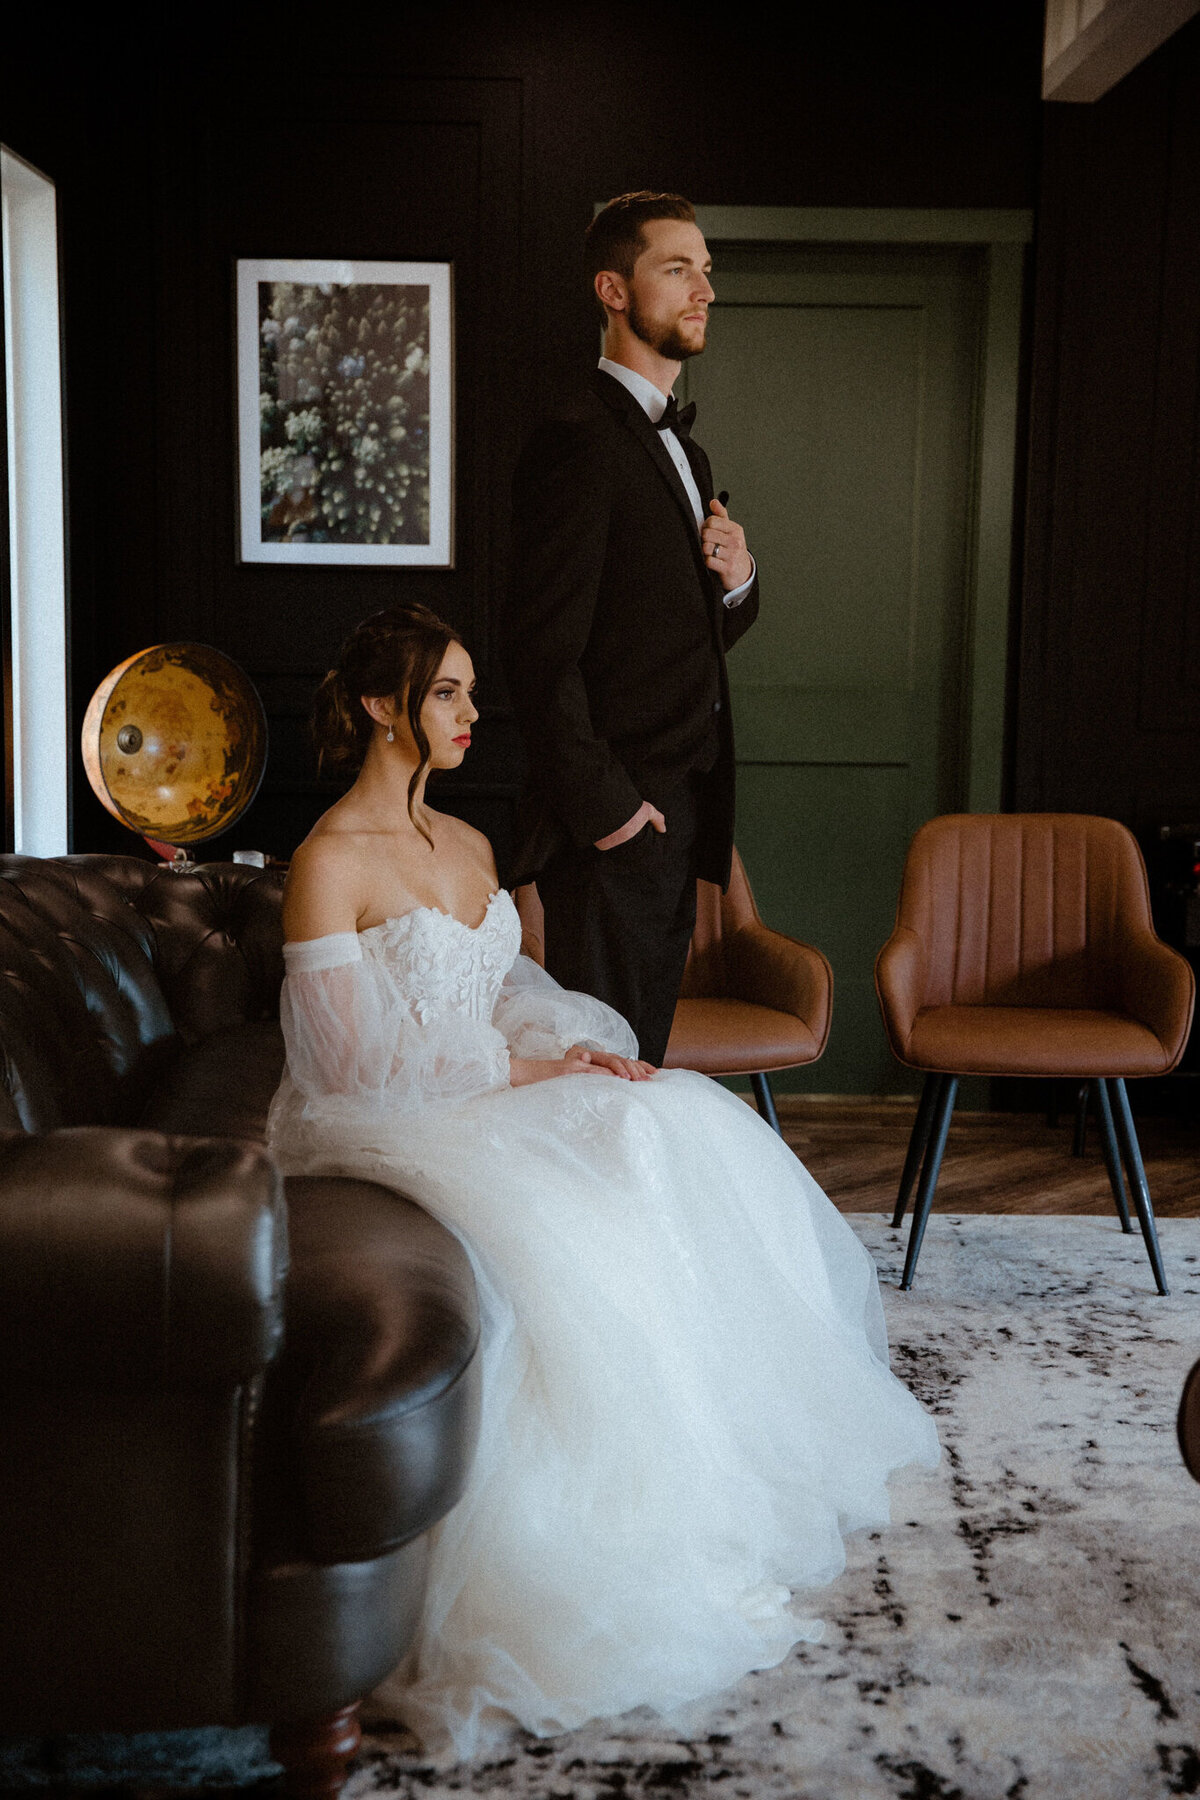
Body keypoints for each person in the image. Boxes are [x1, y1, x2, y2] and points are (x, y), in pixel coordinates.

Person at [268, 602, 940, 1763]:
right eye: (446, 694)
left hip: (488, 1081)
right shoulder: (330, 861)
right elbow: (347, 1063)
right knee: (591, 1191)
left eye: (473, 691)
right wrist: (522, 1068)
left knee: (665, 1117)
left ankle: (708, 1466)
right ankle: (602, 1530)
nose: (474, 714)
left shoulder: (468, 846)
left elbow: (507, 983)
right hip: (394, 1121)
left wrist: (560, 1045)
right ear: (382, 707)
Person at [503, 191, 758, 1065]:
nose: (704, 291)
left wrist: (739, 580)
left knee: (638, 1058)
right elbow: (540, 653)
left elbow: (672, 635)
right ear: (614, 290)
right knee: (600, 1075)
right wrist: (609, 810)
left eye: (708, 271)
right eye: (677, 269)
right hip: (617, 822)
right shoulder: (577, 437)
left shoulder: (686, 454)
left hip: (676, 812)